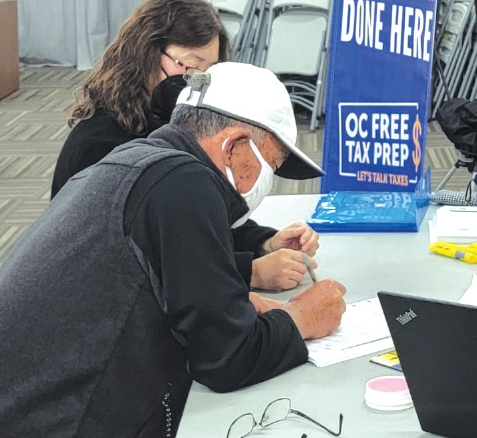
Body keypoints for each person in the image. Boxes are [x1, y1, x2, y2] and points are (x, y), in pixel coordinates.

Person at [0, 62, 347, 437]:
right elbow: (227, 358)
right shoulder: (185, 187)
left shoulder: (142, 163)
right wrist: (303, 316)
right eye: (271, 164)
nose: (268, 181)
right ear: (234, 146)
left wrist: (231, 301)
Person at [52, 0, 317, 293]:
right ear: (147, 54)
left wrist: (263, 242)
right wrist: (248, 272)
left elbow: (199, 220)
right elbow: (147, 261)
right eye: (189, 67)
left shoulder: (174, 125)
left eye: (208, 74)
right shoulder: (101, 144)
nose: (196, 81)